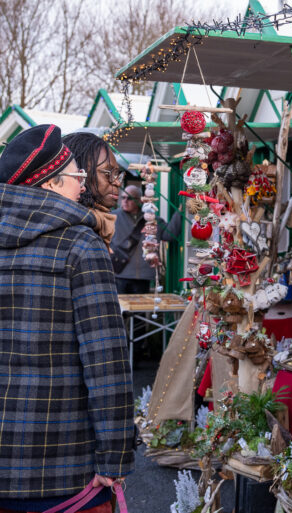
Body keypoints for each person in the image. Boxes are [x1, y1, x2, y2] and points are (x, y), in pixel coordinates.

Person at [0, 125, 134, 512]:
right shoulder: (80, 244)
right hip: (61, 466)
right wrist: (115, 458)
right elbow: (105, 362)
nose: (82, 188)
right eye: (78, 178)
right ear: (51, 183)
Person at [112, 184, 182, 294]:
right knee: (120, 310)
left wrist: (180, 212)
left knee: (140, 310)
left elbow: (170, 235)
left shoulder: (153, 219)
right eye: (123, 197)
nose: (125, 201)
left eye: (129, 198)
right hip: (119, 273)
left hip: (143, 276)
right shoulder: (112, 217)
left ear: (140, 200)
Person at [62, 132, 124, 250]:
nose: (117, 182)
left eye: (117, 174)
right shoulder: (85, 239)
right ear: (79, 173)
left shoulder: (96, 225)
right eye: (108, 173)